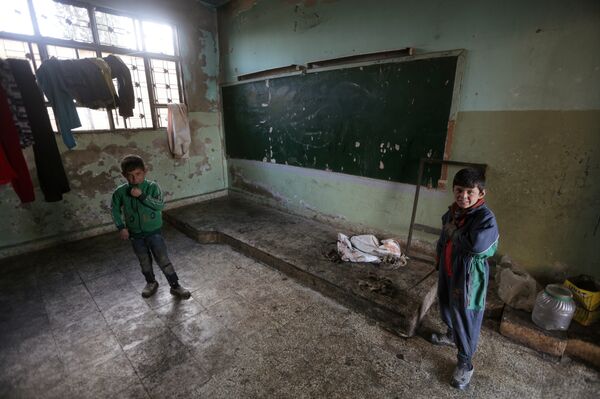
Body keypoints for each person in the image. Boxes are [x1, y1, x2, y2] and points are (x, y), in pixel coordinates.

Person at [431, 167, 499, 390]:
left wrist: (455, 233)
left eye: (470, 192)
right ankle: (451, 335)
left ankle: (465, 363)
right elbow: (444, 236)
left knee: (466, 316)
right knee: (446, 304)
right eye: (459, 190)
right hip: (449, 270)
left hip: (469, 276)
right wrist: (439, 257)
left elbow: (478, 246)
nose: (464, 196)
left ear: (481, 193)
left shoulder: (485, 218)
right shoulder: (453, 212)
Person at [111, 154, 191, 299]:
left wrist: (142, 196)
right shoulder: (120, 192)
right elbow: (115, 210)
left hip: (154, 232)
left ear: (145, 171)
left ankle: (175, 286)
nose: (134, 179)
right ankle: (151, 282)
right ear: (123, 175)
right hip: (135, 235)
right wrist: (121, 227)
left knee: (162, 259)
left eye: (138, 174)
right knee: (143, 260)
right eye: (130, 175)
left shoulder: (152, 187)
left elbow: (160, 205)